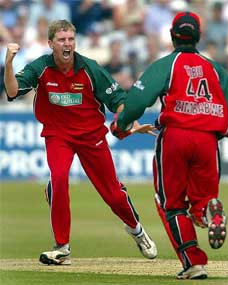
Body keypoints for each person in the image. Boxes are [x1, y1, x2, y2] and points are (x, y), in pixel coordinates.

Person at [4, 19, 157, 265]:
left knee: (113, 195)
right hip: (58, 135)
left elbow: (118, 98)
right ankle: (62, 247)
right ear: (50, 43)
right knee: (60, 177)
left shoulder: (89, 68)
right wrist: (9, 63)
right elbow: (12, 91)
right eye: (62, 40)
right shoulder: (41, 68)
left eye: (71, 39)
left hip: (91, 136)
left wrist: (130, 122)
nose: (67, 44)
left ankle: (137, 231)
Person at [111, 12, 228, 279]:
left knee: (170, 203)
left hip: (175, 136)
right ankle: (211, 213)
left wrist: (121, 124)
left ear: (172, 36)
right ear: (199, 36)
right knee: (201, 202)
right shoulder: (214, 68)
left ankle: (193, 262)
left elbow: (138, 101)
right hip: (207, 140)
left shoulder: (166, 65)